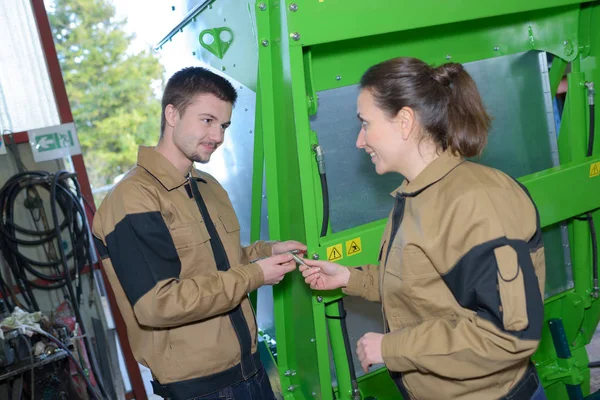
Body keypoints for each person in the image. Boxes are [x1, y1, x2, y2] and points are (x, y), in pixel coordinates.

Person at [300, 57, 547, 400]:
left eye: (365, 124)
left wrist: (391, 347)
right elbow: (426, 285)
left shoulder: (477, 201)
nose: (360, 141)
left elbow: (508, 334)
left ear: (404, 122)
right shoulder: (418, 193)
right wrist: (349, 278)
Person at [92, 66, 306, 400]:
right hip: (202, 388)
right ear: (172, 114)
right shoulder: (133, 198)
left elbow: (219, 263)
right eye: (207, 120)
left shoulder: (206, 185)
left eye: (224, 125)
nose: (218, 136)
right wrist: (254, 275)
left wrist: (266, 252)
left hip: (250, 369)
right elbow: (158, 303)